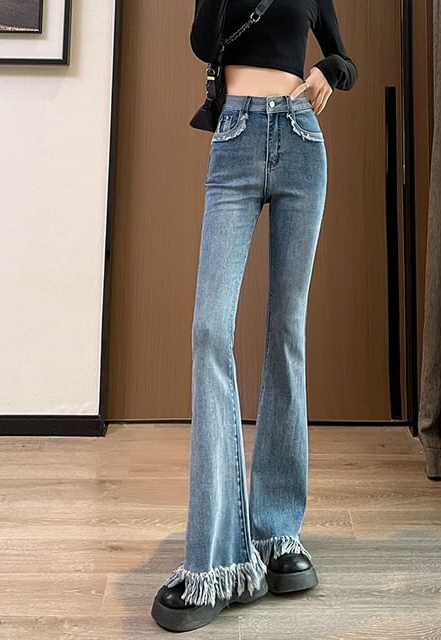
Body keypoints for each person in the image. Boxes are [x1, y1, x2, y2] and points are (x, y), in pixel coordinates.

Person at [152, 0, 357, 632]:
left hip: (301, 139)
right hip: (236, 139)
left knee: (286, 331)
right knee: (210, 331)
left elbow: (343, 58)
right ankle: (216, 557)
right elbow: (201, 41)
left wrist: (327, 71)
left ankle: (276, 532)